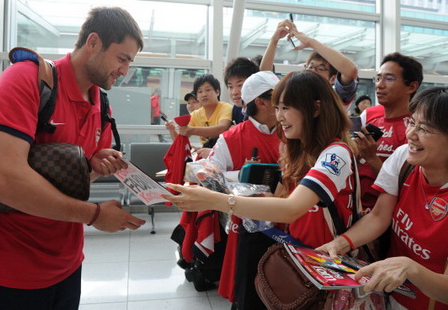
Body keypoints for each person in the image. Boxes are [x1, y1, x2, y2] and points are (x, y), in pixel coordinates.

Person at [0, 7, 146, 309]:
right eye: (122, 59)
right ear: (93, 42)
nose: (124, 71)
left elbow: (75, 182)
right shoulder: (28, 79)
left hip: (68, 264)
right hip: (12, 268)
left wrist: (92, 166)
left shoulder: (101, 105)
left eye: (130, 63)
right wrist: (93, 215)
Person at [164, 70, 359, 306]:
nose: (280, 116)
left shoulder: (334, 153)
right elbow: (283, 199)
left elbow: (291, 208)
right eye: (277, 107)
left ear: (315, 109)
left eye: (286, 108)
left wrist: (215, 200)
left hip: (325, 259)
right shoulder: (293, 148)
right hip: (292, 249)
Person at [318, 86, 448, 310]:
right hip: (391, 295)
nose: (411, 135)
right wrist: (338, 244)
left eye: (424, 129)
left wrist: (410, 268)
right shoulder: (403, 159)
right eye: (412, 122)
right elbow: (379, 216)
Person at [208, 71, 281, 309]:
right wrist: (242, 176)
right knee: (249, 291)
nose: (285, 104)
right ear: (261, 102)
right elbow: (208, 177)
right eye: (278, 98)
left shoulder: (293, 130)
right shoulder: (230, 138)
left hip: (290, 224)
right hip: (250, 229)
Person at [357, 53, 423, 211]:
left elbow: (407, 186)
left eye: (389, 79)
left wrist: (372, 158)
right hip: (353, 207)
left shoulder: (417, 129)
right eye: (378, 78)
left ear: (412, 87)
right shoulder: (369, 115)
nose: (379, 85)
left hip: (384, 215)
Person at [259, 19, 358, 110]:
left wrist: (310, 42)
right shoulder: (291, 91)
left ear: (332, 79)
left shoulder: (336, 97)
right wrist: (274, 40)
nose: (312, 70)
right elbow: (265, 76)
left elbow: (351, 71)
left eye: (320, 68)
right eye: (310, 66)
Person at [178, 74, 233, 158]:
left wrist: (192, 130)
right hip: (206, 157)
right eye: (200, 92)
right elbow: (181, 139)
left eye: (208, 90)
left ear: (217, 92)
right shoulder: (195, 115)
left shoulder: (225, 107)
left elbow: (223, 128)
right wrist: (172, 129)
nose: (204, 94)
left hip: (226, 155)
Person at [223, 57, 259, 125]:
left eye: (240, 85)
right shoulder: (237, 109)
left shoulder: (261, 111)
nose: (234, 92)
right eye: (230, 87)